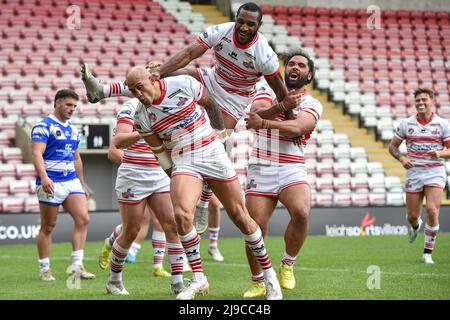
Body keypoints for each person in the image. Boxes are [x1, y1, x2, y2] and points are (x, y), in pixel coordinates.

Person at [80, 2, 301, 233]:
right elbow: (187, 54)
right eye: (241, 21)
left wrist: (291, 119)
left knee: (217, 148)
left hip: (232, 102)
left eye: (250, 24)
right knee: (154, 81)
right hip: (210, 80)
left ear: (259, 26)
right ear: (235, 19)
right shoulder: (221, 31)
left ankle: (204, 201)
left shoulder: (264, 54)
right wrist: (160, 72)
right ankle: (102, 90)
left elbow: (280, 91)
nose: (244, 27)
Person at [128, 67, 282, 300]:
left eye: (139, 87)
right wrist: (176, 176)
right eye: (131, 90)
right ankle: (199, 278)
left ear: (153, 79)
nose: (137, 94)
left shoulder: (182, 83)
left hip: (210, 151)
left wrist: (220, 137)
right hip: (184, 160)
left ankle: (270, 278)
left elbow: (210, 104)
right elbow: (159, 152)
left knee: (241, 216)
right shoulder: (140, 116)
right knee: (181, 215)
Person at [243, 49, 321, 297]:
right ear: (285, 70)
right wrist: (282, 106)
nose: (295, 67)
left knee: (301, 212)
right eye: (291, 64)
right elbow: (256, 112)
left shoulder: (312, 103)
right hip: (261, 166)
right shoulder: (265, 90)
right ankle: (258, 281)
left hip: (291, 167)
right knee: (254, 228)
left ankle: (287, 264)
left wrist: (266, 123)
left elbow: (297, 127)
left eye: (301, 65)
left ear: (308, 76)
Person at [102, 98, 187, 295]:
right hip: (133, 175)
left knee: (172, 225)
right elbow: (118, 142)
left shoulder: (170, 105)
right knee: (131, 230)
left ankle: (178, 282)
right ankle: (114, 281)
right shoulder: (131, 107)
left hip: (160, 173)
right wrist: (144, 130)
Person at [31, 89, 95, 281]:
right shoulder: (43, 126)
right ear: (57, 103)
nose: (72, 109)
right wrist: (44, 177)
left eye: (74, 106)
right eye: (68, 105)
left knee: (83, 219)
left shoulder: (74, 129)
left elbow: (76, 158)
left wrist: (82, 184)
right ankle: (44, 269)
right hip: (51, 182)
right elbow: (36, 154)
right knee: (48, 226)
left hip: (70, 181)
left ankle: (77, 266)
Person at [388, 87, 450, 264]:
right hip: (414, 173)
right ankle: (415, 226)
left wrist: (439, 153)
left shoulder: (443, 124)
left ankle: (427, 253)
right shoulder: (407, 124)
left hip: (435, 172)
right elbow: (392, 147)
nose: (421, 103)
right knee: (413, 216)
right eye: (418, 100)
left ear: (432, 101)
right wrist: (402, 159)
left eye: (424, 100)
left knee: (432, 209)